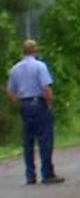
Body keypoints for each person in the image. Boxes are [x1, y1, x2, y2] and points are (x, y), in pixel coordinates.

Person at [6, 40, 64, 185]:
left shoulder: (15, 69)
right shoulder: (40, 66)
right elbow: (46, 88)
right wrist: (49, 104)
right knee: (45, 140)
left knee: (28, 141)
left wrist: (19, 104)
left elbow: (11, 92)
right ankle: (47, 173)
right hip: (39, 104)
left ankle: (30, 175)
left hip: (25, 105)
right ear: (35, 50)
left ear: (23, 51)